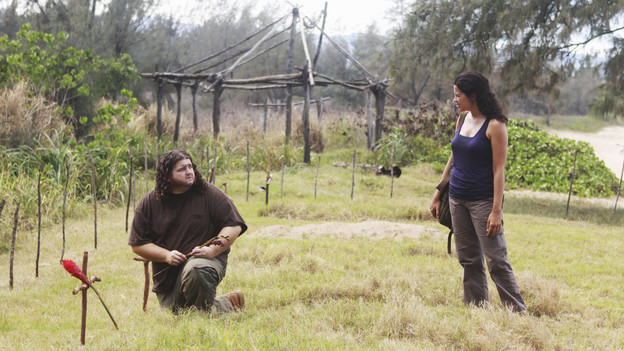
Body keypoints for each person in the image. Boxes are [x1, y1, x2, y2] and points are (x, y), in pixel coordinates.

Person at [430, 71, 526, 313]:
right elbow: (453, 157)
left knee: (496, 261)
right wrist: (439, 193)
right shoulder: (462, 119)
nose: (455, 100)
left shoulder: (495, 125)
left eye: (458, 95)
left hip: (483, 202)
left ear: (473, 95)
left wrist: (496, 211)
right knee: (469, 259)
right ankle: (477, 309)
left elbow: (498, 171)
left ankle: (517, 313)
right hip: (456, 198)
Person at [129, 150, 247, 314]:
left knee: (196, 270)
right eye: (182, 169)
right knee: (177, 314)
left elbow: (234, 225)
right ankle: (229, 303)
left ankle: (201, 318)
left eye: (190, 167)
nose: (189, 171)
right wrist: (166, 256)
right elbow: (138, 244)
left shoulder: (208, 193)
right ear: (167, 176)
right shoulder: (149, 203)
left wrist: (212, 250)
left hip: (204, 262)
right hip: (167, 280)